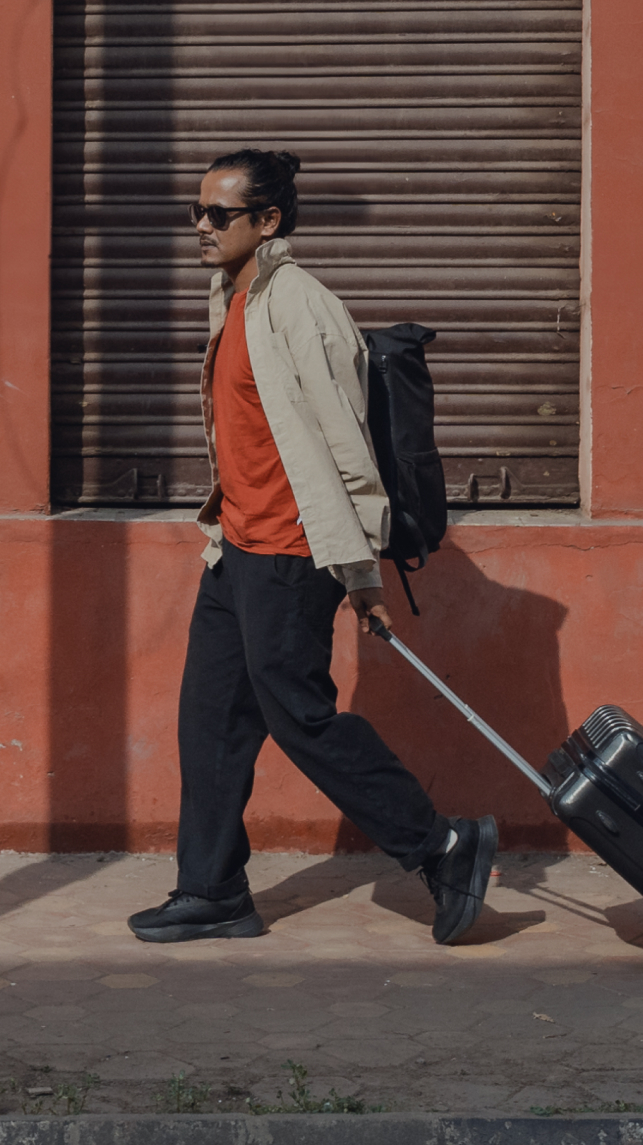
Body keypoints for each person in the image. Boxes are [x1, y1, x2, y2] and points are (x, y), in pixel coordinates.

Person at [125, 149, 498, 947]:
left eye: (219, 215)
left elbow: (347, 444)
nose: (200, 226)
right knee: (210, 721)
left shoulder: (300, 305)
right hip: (236, 548)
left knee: (299, 716)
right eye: (197, 212)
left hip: (294, 552)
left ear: (268, 222)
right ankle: (213, 889)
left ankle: (441, 845)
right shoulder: (233, 297)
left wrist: (359, 568)